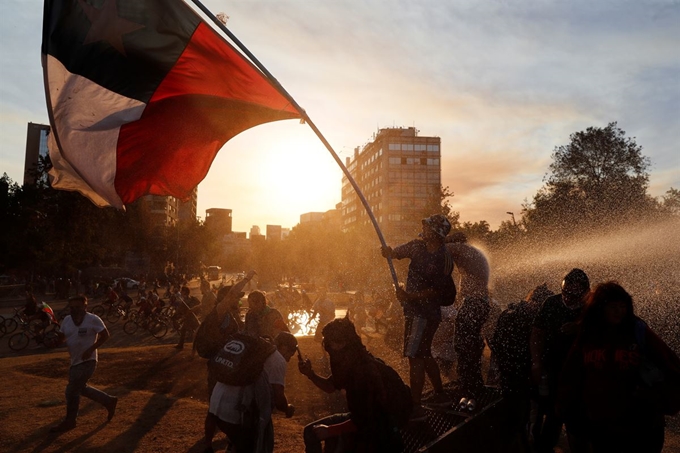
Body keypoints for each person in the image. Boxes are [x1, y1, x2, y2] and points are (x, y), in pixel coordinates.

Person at [558, 281, 680, 452]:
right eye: (613, 307)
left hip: (642, 424)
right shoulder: (589, 334)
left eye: (622, 306)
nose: (619, 311)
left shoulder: (638, 330)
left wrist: (658, 396)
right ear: (600, 308)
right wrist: (569, 410)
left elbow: (671, 363)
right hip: (602, 425)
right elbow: (571, 374)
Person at [381, 214, 456, 419]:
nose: (425, 228)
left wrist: (409, 296)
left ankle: (416, 406)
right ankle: (440, 394)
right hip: (414, 311)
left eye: (430, 227)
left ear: (438, 234)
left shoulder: (444, 258)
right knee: (424, 354)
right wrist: (388, 252)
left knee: (415, 358)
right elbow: (394, 253)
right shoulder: (416, 246)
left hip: (425, 314)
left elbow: (436, 291)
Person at [299, 317, 412, 452]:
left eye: (329, 343)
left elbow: (365, 419)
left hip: (380, 430)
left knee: (333, 441)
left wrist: (330, 430)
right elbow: (330, 386)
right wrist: (310, 374)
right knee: (311, 432)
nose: (326, 347)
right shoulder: (351, 361)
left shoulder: (363, 372)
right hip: (366, 420)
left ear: (342, 343)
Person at [207, 329, 297, 453]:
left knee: (235, 444)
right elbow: (278, 398)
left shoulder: (254, 350)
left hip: (215, 407)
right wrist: (288, 408)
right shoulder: (278, 360)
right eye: (290, 355)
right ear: (285, 347)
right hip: (236, 413)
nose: (289, 359)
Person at [530, 268, 590, 453]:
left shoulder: (592, 307)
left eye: (573, 294)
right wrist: (537, 363)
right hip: (552, 369)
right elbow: (537, 333)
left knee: (577, 421)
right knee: (550, 413)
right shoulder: (552, 303)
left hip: (580, 374)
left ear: (586, 292)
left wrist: (580, 328)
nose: (568, 298)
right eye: (565, 292)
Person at [50, 295, 118, 432]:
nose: (75, 310)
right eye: (72, 307)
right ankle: (108, 401)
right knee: (80, 388)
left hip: (89, 361)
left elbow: (105, 335)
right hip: (74, 361)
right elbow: (61, 338)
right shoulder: (67, 320)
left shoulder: (93, 319)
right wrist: (55, 340)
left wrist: (91, 349)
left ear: (85, 307)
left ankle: (70, 421)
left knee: (71, 391)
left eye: (78, 307)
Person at [442, 232, 491, 400]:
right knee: (470, 346)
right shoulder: (471, 255)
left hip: (474, 304)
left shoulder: (460, 248)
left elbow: (441, 249)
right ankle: (472, 385)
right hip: (478, 303)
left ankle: (469, 388)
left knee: (464, 346)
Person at [175, 286, 201, 350]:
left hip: (192, 318)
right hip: (188, 318)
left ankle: (203, 343)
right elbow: (180, 309)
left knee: (198, 331)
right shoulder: (185, 300)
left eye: (182, 291)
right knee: (184, 330)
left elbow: (200, 305)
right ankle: (180, 345)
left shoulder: (190, 299)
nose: (181, 292)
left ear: (185, 292)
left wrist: (193, 309)